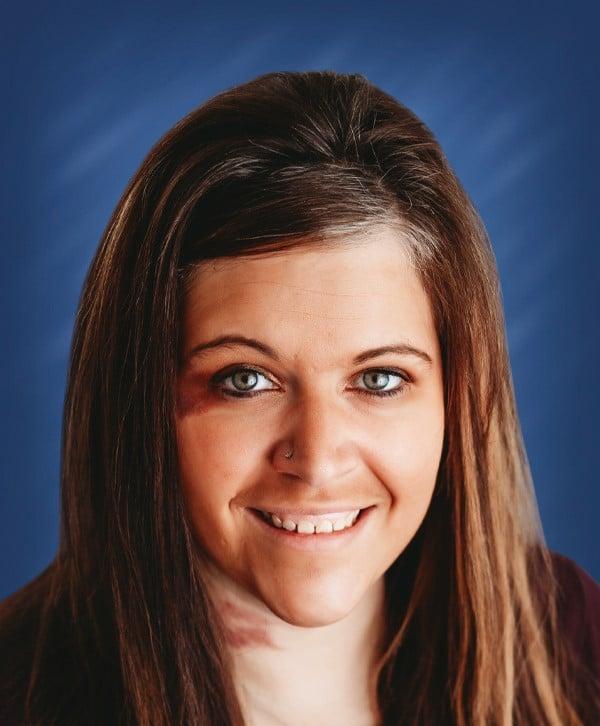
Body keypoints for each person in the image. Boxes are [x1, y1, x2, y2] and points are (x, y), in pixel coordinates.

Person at [0, 70, 598, 726]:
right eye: (244, 380)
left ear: (458, 397)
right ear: (139, 398)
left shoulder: (571, 638)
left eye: (378, 380)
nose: (317, 461)